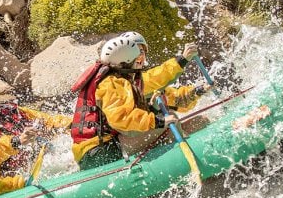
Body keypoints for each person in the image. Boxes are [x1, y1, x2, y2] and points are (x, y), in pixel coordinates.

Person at [70, 31, 211, 170]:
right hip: (99, 154)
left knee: (199, 120)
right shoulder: (112, 83)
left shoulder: (125, 80)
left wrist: (198, 90)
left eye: (142, 52)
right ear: (125, 59)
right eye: (137, 53)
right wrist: (158, 121)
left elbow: (174, 98)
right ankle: (184, 166)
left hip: (106, 146)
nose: (140, 58)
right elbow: (121, 118)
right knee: (169, 121)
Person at [0, 78, 71, 171]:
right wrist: (17, 141)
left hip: (40, 155)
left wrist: (71, 123)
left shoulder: (9, 109)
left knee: (51, 131)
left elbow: (45, 119)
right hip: (12, 172)